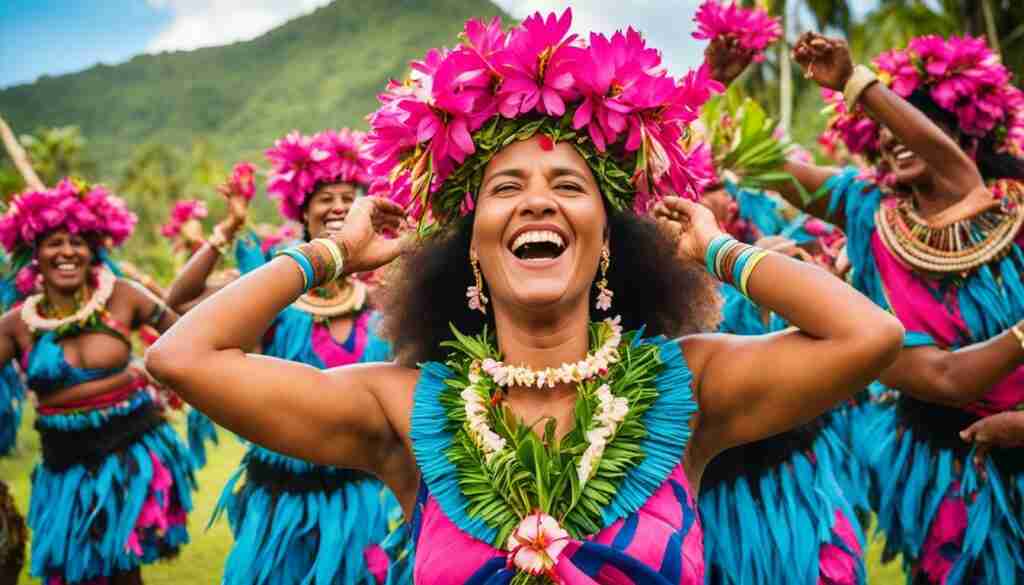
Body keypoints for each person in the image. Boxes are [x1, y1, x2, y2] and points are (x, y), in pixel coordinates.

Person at [147, 12, 903, 584]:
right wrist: (330, 253)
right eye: (505, 187)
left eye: (568, 185)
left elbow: (866, 337)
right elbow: (182, 355)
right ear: (467, 247)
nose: (537, 202)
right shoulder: (403, 406)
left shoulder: (689, 384)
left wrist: (716, 250)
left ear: (609, 241)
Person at [757, 31, 1024, 583]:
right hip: (943, 468)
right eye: (881, 128)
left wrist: (859, 84)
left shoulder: (1010, 207)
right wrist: (719, 78)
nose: (893, 137)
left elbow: (953, 170)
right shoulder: (866, 212)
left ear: (961, 135)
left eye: (912, 122)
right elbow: (764, 170)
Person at [164, 130, 400, 585]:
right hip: (280, 491)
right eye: (326, 197)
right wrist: (227, 229)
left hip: (359, 493)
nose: (338, 207)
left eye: (350, 198)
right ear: (302, 211)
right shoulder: (271, 296)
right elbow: (180, 300)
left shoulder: (381, 299)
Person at [0, 178, 195, 585]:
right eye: (54, 242)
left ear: (94, 251)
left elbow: (192, 337)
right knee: (75, 571)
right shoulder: (17, 325)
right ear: (34, 253)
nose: (67, 251)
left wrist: (157, 370)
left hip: (130, 454)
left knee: (124, 567)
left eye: (78, 242)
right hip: (64, 463)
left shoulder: (124, 296)